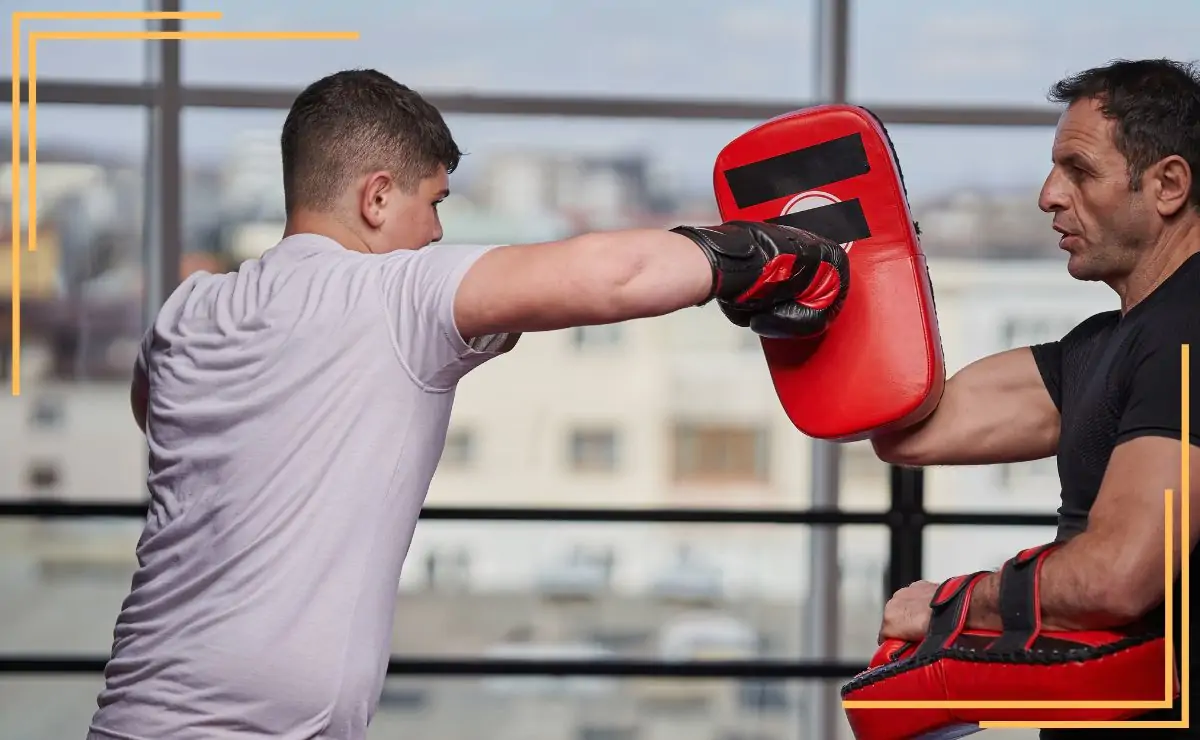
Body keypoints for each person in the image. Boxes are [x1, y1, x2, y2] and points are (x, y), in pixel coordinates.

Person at [85, 69, 849, 740]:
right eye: (433, 202)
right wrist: (786, 255)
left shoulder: (191, 310)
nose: (438, 231)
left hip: (133, 712)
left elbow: (156, 415)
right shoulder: (388, 296)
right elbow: (616, 275)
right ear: (377, 197)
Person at [871, 58, 1200, 737]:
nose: (1049, 194)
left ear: (1168, 184)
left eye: (1079, 171)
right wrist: (810, 294)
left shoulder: (1188, 331)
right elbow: (906, 428)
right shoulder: (1105, 345)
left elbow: (1119, 574)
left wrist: (953, 607)